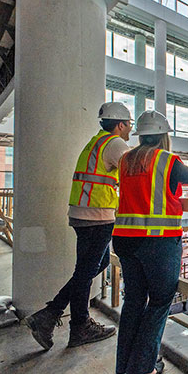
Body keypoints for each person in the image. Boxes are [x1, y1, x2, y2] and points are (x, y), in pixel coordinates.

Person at [23, 102, 133, 350]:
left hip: (84, 213)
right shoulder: (115, 144)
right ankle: (77, 325)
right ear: (120, 124)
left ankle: (49, 315)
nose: (130, 130)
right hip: (96, 216)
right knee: (85, 272)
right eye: (129, 125)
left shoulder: (96, 142)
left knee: (96, 265)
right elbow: (134, 170)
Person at [112, 110, 188, 374]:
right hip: (157, 241)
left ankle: (128, 364)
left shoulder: (127, 159)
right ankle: (141, 370)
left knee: (135, 300)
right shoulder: (167, 160)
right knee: (161, 301)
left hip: (124, 239)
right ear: (164, 135)